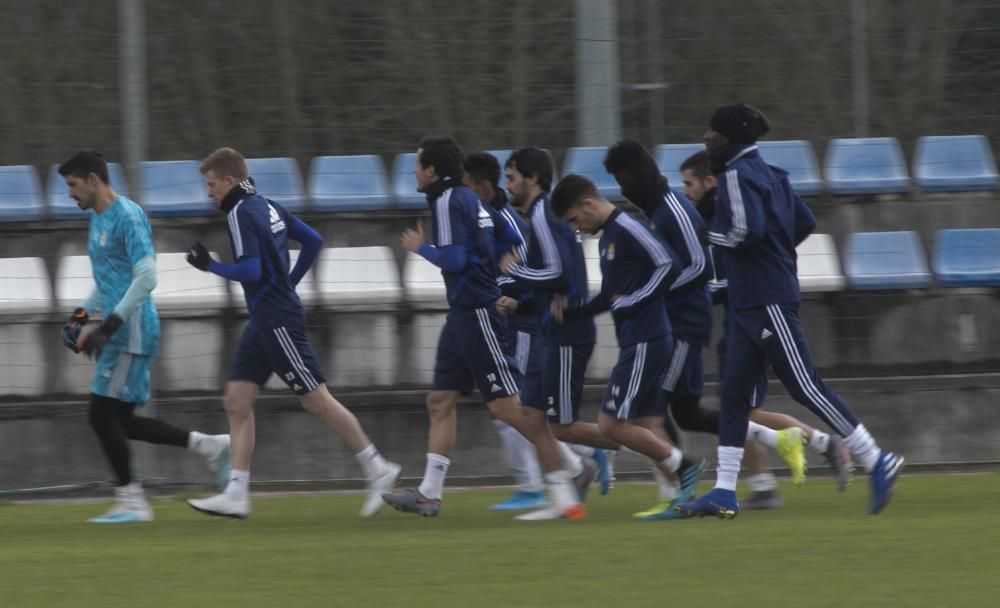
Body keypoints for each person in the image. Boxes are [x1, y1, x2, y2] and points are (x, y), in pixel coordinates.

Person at [676, 104, 902, 520]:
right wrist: (772, 257)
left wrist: (702, 229)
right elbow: (804, 221)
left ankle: (874, 458)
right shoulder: (772, 173)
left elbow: (744, 231)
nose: (706, 137)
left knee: (804, 386)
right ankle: (724, 491)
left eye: (713, 131)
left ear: (729, 137)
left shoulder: (736, 175)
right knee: (733, 398)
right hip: (751, 300)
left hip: (766, 301)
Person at [183, 147, 400, 520]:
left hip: (276, 320)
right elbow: (314, 241)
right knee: (237, 400)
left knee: (316, 400)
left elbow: (250, 272)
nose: (209, 193)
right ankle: (236, 493)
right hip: (265, 319)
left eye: (212, 184)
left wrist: (212, 267)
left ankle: (378, 469)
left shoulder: (238, 212)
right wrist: (289, 282)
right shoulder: (268, 205)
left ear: (230, 181)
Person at [382, 136, 586, 521]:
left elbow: (456, 258)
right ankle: (429, 493)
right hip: (462, 314)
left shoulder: (446, 200)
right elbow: (508, 237)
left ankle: (571, 472)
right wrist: (491, 262)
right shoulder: (469, 199)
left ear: (431, 171)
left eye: (417, 165)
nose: (413, 171)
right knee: (439, 401)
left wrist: (421, 248)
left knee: (508, 408)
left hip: (476, 312)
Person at [602, 140, 808, 517]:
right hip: (676, 322)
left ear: (639, 174)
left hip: (682, 326)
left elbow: (699, 268)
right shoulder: (658, 211)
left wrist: (650, 293)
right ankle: (769, 467)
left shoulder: (671, 211)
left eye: (623, 178)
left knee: (651, 412)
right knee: (688, 414)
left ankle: (678, 491)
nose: (621, 188)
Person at [58, 150, 231, 523]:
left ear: (93, 180)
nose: (70, 194)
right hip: (122, 331)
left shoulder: (128, 216)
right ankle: (211, 446)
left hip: (131, 331)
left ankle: (133, 502)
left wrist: (108, 328)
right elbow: (108, 281)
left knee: (101, 416)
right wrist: (78, 318)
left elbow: (147, 278)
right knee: (121, 420)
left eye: (73, 185)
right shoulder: (99, 219)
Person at [679, 149, 854, 507]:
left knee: (745, 409)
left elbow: (732, 279)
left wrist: (697, 295)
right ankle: (762, 485)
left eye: (689, 183)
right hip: (740, 320)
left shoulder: (731, 218)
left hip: (753, 319)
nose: (685, 191)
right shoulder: (712, 219)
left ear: (709, 182)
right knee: (737, 409)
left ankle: (824, 444)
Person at [549, 174, 707, 515]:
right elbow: (610, 297)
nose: (576, 229)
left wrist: (634, 301)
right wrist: (574, 311)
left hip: (646, 340)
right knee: (649, 424)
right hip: (639, 339)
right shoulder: (610, 239)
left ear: (588, 204)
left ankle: (684, 466)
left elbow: (669, 265)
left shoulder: (627, 227)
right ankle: (681, 500)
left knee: (611, 424)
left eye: (575, 220)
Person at [497, 148, 614, 495]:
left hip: (565, 332)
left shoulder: (544, 216)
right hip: (548, 330)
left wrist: (516, 270)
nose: (508, 186)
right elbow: (553, 277)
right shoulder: (543, 215)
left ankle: (653, 448)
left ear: (532, 179)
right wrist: (520, 304)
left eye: (512, 178)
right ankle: (564, 495)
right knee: (532, 416)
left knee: (560, 426)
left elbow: (559, 274)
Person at [462, 152, 548, 511]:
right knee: (513, 409)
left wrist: (512, 298)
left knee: (513, 409)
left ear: (482, 188)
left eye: (466, 189)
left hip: (521, 326)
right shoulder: (490, 219)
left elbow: (531, 275)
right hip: (504, 324)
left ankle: (534, 485)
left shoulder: (508, 222)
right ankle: (582, 454)